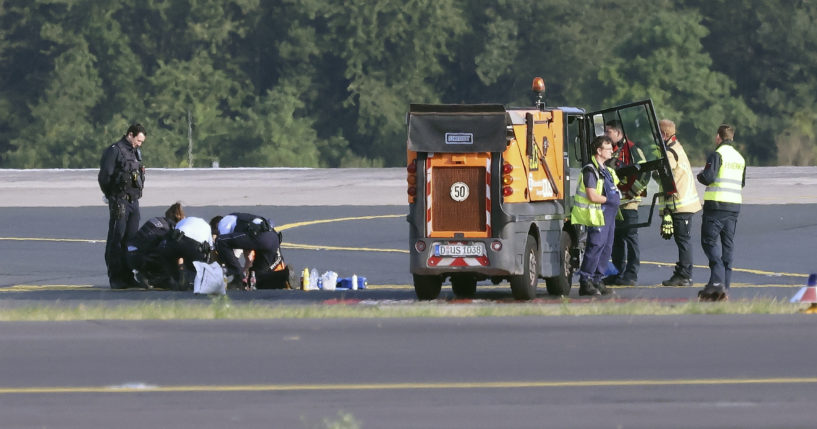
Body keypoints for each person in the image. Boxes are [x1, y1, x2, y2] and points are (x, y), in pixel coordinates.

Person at [696, 124, 746, 301]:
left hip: (717, 206)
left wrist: (700, 175)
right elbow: (741, 183)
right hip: (734, 207)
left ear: (718, 137)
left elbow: (708, 177)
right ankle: (724, 286)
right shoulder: (740, 158)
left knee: (708, 241)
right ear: (731, 137)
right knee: (727, 246)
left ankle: (717, 280)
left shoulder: (718, 154)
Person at [571, 136, 621, 296]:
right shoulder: (590, 170)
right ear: (599, 151)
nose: (612, 151)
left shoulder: (607, 170)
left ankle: (598, 280)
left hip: (609, 215)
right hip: (598, 214)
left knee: (606, 248)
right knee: (595, 247)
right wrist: (609, 199)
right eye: (608, 148)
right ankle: (585, 281)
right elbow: (592, 195)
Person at [98, 123, 147, 289]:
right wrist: (112, 196)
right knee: (116, 240)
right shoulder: (114, 150)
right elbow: (104, 177)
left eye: (141, 142)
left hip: (133, 201)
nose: (140, 144)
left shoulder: (134, 152)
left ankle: (127, 276)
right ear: (130, 134)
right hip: (120, 201)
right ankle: (116, 277)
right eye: (138, 140)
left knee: (130, 240)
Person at [658, 120, 702, 287]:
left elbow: (666, 177)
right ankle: (684, 272)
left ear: (664, 134)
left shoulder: (670, 152)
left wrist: (667, 210)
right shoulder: (677, 147)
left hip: (680, 205)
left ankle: (684, 274)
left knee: (683, 240)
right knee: (683, 240)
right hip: (683, 204)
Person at [603, 120, 647, 286]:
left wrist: (632, 191)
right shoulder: (610, 151)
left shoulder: (633, 149)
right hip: (614, 203)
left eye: (609, 132)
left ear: (618, 133)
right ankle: (617, 273)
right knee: (616, 240)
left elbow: (645, 172)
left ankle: (631, 274)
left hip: (629, 203)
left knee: (631, 238)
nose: (606, 136)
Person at [212, 213, 291, 289]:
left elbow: (227, 249)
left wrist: (237, 274)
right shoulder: (241, 223)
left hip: (260, 236)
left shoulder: (223, 222)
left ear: (215, 227)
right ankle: (285, 277)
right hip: (273, 238)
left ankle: (238, 279)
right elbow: (248, 257)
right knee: (255, 279)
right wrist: (246, 274)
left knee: (220, 241)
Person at [126, 202, 185, 288]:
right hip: (140, 257)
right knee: (170, 252)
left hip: (130, 253)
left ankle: (145, 273)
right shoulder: (168, 228)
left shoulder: (158, 220)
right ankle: (151, 277)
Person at [156, 216, 214, 291]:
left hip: (175, 241)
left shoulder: (183, 221)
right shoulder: (207, 227)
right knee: (195, 265)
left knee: (168, 258)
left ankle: (173, 279)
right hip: (194, 247)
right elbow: (210, 249)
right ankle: (191, 282)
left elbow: (173, 232)